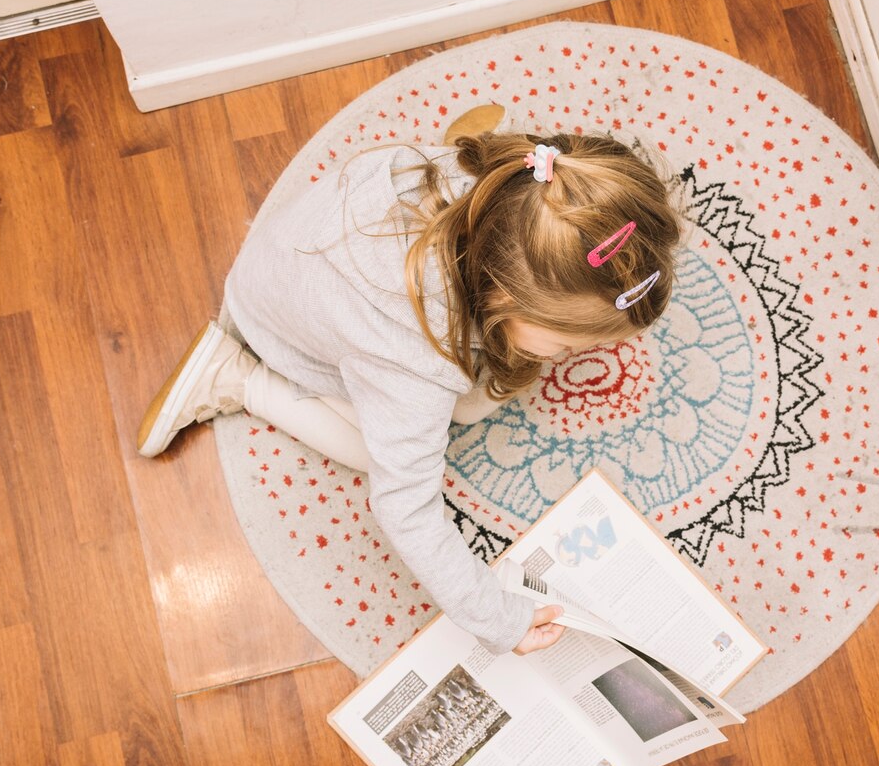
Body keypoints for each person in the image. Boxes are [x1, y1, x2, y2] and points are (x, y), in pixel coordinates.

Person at [135, 130, 683, 656]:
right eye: (563, 343)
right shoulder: (411, 358)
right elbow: (405, 509)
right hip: (284, 323)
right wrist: (497, 617)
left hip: (317, 255)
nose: (569, 357)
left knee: (483, 387)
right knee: (382, 448)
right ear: (502, 297)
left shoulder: (523, 189)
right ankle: (234, 377)